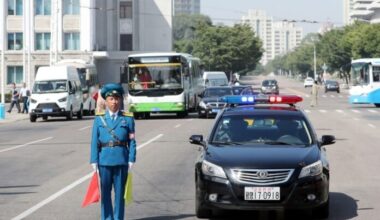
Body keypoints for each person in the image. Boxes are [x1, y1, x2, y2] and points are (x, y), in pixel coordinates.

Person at [90, 83, 136, 220]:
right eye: (111, 99)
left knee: (120, 195)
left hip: (121, 160)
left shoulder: (127, 118)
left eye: (117, 98)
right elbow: (94, 141)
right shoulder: (100, 118)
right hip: (104, 161)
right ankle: (107, 218)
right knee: (105, 194)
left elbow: (132, 140)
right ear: (106, 101)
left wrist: (131, 158)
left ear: (120, 100)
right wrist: (94, 160)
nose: (114, 102)